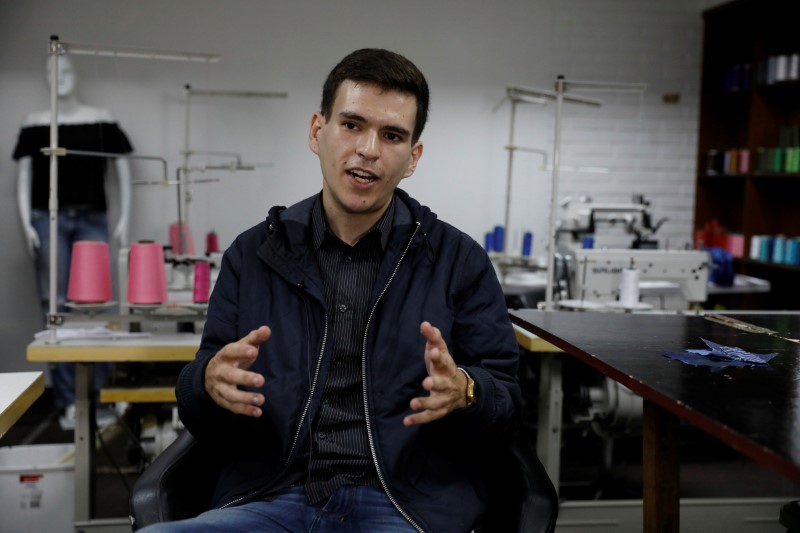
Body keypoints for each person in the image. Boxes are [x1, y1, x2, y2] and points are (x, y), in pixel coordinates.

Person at [145, 48, 521, 533]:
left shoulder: (458, 261)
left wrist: (467, 391)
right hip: (270, 498)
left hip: (405, 507)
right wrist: (206, 385)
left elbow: (506, 404)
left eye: (392, 136)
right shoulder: (253, 254)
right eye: (352, 125)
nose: (368, 149)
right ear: (316, 132)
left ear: (413, 158)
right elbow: (205, 405)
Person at [12, 54, 133, 428]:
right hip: (47, 220)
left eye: (65, 69)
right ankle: (68, 401)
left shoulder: (100, 117)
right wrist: (27, 225)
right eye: (51, 71)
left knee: (95, 306)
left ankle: (100, 396)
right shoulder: (35, 124)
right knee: (56, 309)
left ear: (75, 74)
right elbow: (25, 178)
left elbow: (122, 171)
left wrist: (123, 217)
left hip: (93, 218)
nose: (59, 77)